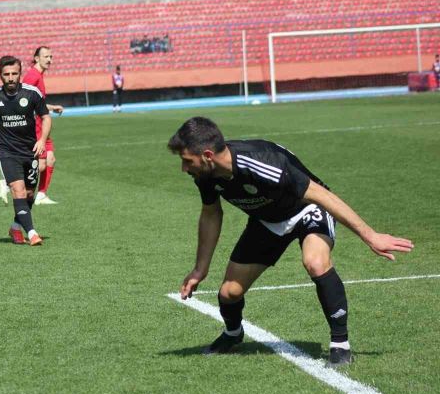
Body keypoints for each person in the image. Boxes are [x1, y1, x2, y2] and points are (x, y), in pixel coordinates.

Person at [169, 117, 413, 366]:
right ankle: (233, 333)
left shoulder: (263, 164)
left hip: (308, 209)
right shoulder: (205, 174)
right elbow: (211, 213)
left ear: (208, 154)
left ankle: (340, 344)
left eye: (187, 161)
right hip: (267, 220)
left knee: (316, 263)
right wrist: (200, 268)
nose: (185, 168)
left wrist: (370, 235)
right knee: (229, 293)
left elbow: (321, 195)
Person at [0, 55, 51, 246]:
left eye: (14, 73)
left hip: (30, 151)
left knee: (28, 195)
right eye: (6, 74)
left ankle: (15, 227)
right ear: (0, 75)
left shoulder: (32, 93)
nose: (10, 77)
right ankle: (33, 233)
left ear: (20, 74)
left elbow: (46, 117)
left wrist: (42, 140)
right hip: (7, 152)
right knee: (18, 191)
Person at [21, 46, 64, 205]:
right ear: (37, 58)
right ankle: (8, 181)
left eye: (51, 57)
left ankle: (41, 195)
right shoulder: (33, 76)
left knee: (50, 159)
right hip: (36, 127)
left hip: (43, 126)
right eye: (46, 56)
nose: (49, 60)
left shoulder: (39, 75)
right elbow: (23, 97)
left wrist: (51, 108)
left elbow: (37, 102)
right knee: (40, 165)